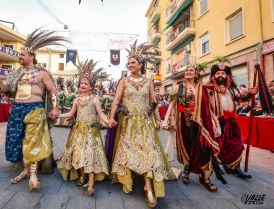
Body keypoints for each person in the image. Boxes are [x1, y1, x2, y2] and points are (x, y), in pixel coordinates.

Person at [107, 41, 179, 208]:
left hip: (145, 123)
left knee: (148, 151)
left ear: (140, 65)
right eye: (129, 63)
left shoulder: (148, 81)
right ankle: (129, 178)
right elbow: (116, 101)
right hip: (129, 123)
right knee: (130, 151)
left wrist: (158, 119)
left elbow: (153, 101)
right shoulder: (123, 81)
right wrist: (111, 118)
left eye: (133, 62)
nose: (130, 65)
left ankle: (148, 187)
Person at [0, 28, 68, 191]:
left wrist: (56, 107)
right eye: (19, 54)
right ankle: (25, 170)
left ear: (31, 56)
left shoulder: (42, 73)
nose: (19, 57)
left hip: (34, 109)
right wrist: (3, 84)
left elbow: (53, 91)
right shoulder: (15, 74)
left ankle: (33, 175)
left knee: (32, 141)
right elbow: (6, 91)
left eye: (22, 55)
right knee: (19, 140)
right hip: (17, 109)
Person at [57, 59, 110, 197]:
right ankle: (82, 175)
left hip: (92, 131)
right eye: (81, 83)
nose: (82, 85)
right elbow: (71, 113)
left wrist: (108, 120)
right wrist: (59, 114)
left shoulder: (95, 99)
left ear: (91, 87)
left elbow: (101, 114)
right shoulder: (76, 100)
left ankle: (91, 183)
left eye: (86, 83)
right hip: (78, 131)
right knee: (79, 153)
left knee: (90, 155)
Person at [163, 66, 220, 192]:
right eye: (186, 70)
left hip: (201, 121)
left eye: (191, 70)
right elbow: (173, 104)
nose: (188, 72)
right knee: (187, 145)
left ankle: (205, 176)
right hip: (184, 120)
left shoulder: (202, 88)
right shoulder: (178, 87)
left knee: (203, 147)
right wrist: (172, 119)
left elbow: (209, 106)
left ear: (196, 74)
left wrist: (213, 120)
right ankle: (187, 170)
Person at [201, 63, 256, 179]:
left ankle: (236, 167)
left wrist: (251, 93)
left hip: (231, 122)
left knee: (237, 144)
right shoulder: (208, 89)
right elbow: (203, 106)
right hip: (217, 122)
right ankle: (213, 167)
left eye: (223, 73)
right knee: (216, 146)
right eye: (218, 73)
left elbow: (242, 99)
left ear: (227, 75)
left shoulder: (231, 89)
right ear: (213, 75)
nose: (221, 75)